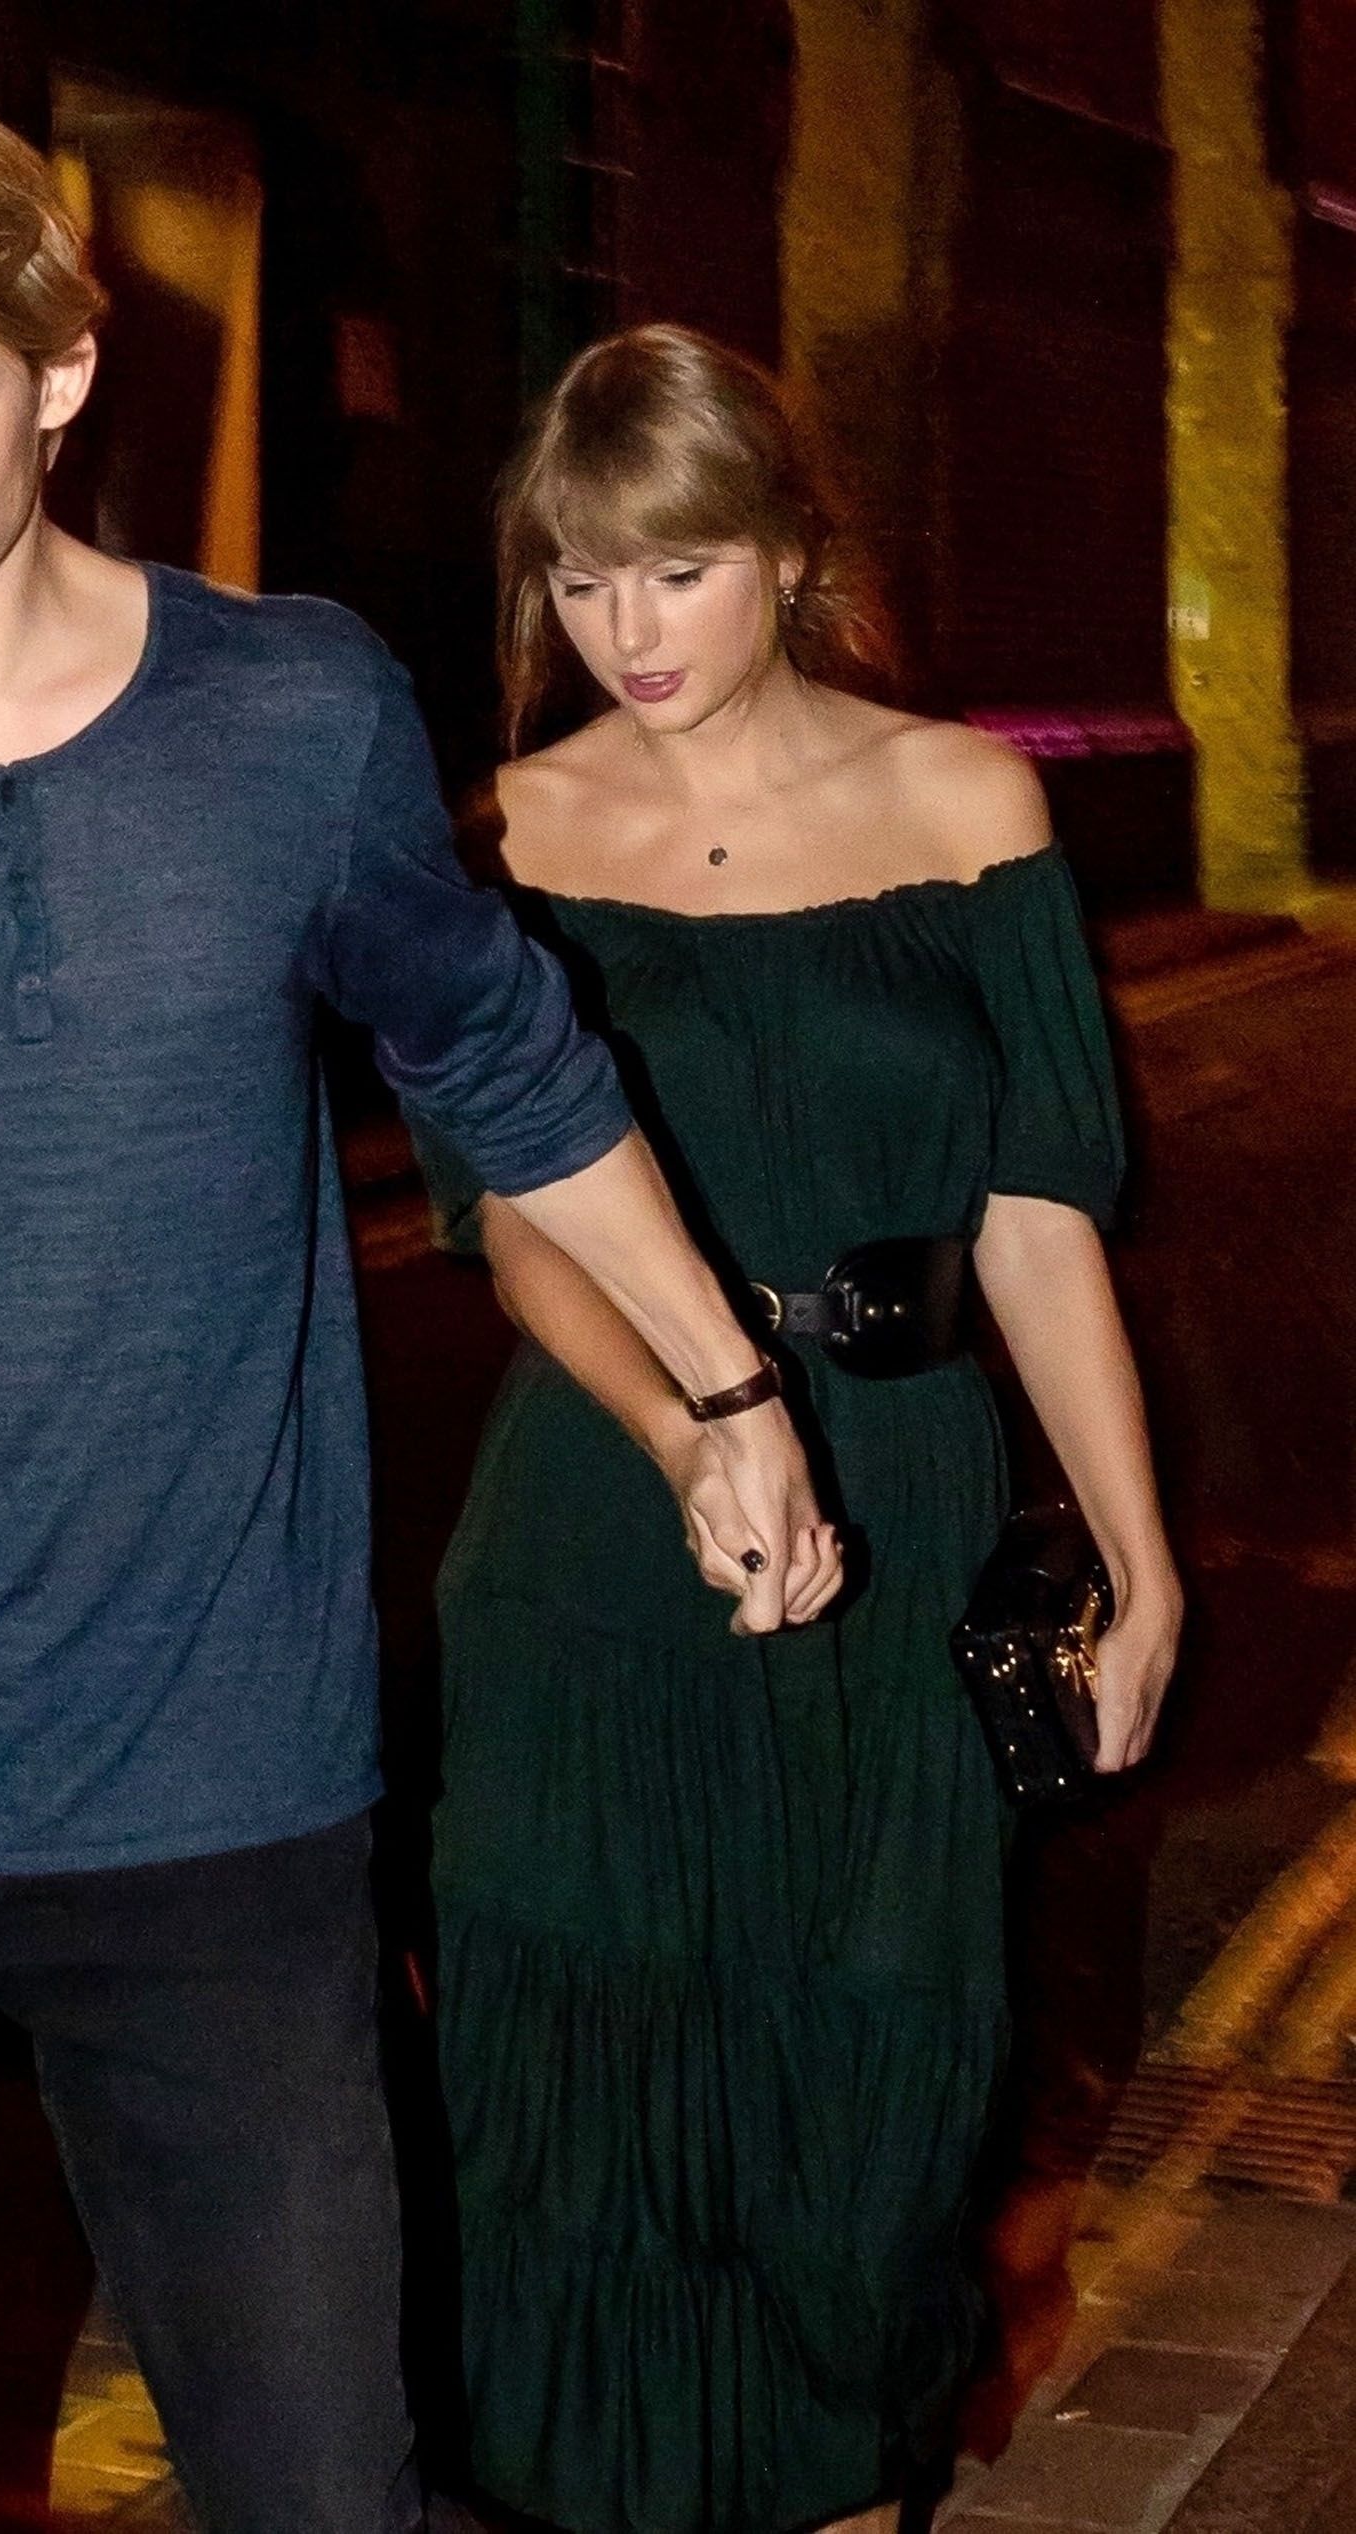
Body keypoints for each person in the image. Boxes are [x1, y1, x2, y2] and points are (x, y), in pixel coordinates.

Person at [0, 92, 838, 2534]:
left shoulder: (289, 721)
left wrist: (723, 1382)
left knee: (322, 2494)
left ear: (62, 371)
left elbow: (503, 1060)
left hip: (219, 1811)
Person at [415, 326, 1182, 2534]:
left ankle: (842, 2494)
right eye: (579, 580)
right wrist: (687, 1433)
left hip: (903, 1497)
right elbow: (521, 1227)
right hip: (600, 1516)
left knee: (874, 2076)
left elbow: (1036, 1213)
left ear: (783, 549)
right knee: (593, 2093)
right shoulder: (518, 835)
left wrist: (1138, 1565)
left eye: (674, 569)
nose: (626, 630)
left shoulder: (963, 801)